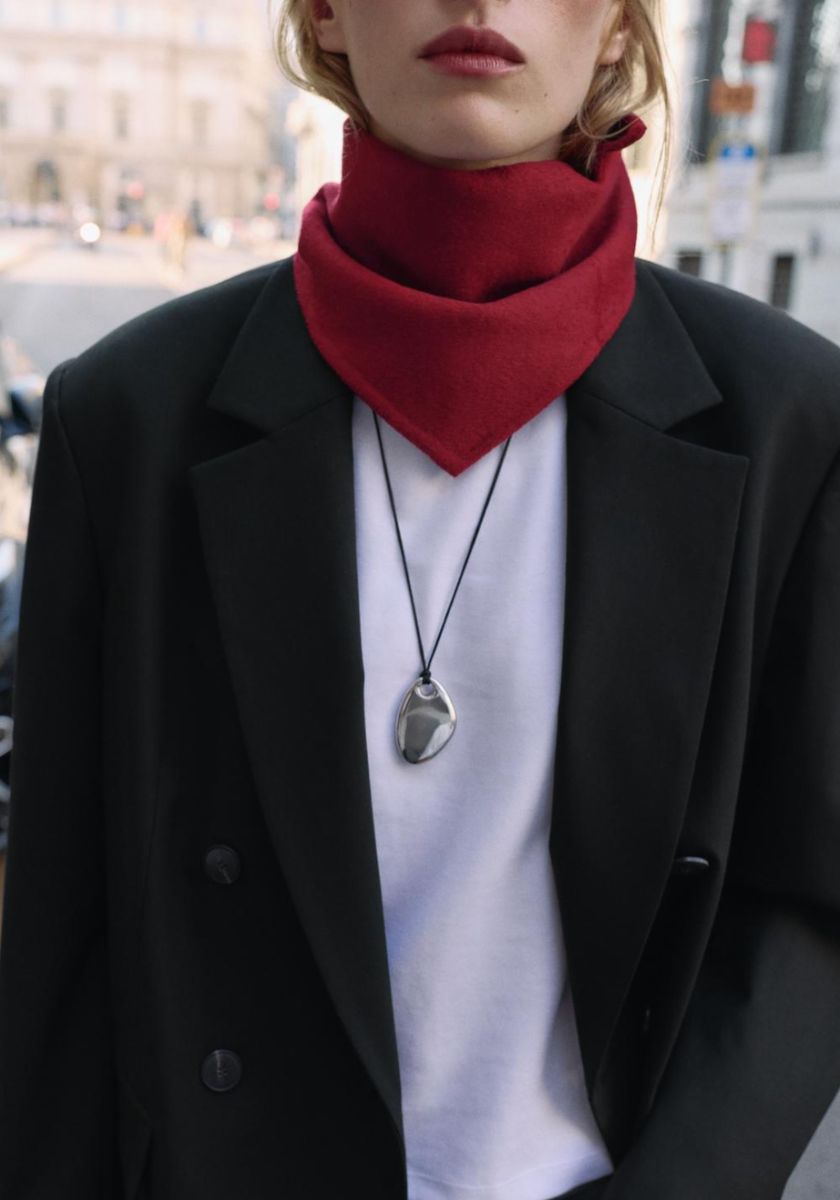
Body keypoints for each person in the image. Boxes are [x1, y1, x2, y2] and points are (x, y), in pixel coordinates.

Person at [1, 2, 840, 1197]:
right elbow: (62, 945)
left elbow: (806, 902)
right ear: (326, 13)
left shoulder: (792, 419)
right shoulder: (127, 418)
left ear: (616, 28)